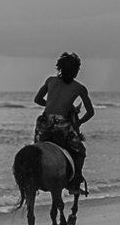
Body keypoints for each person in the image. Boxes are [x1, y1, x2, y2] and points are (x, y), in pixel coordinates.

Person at [33, 51, 95, 194]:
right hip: (62, 125)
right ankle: (74, 184)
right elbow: (90, 112)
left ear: (59, 68)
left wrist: (50, 105)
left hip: (44, 122)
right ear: (75, 71)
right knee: (80, 150)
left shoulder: (50, 81)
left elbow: (37, 100)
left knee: (36, 148)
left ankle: (34, 180)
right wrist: (78, 122)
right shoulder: (79, 88)